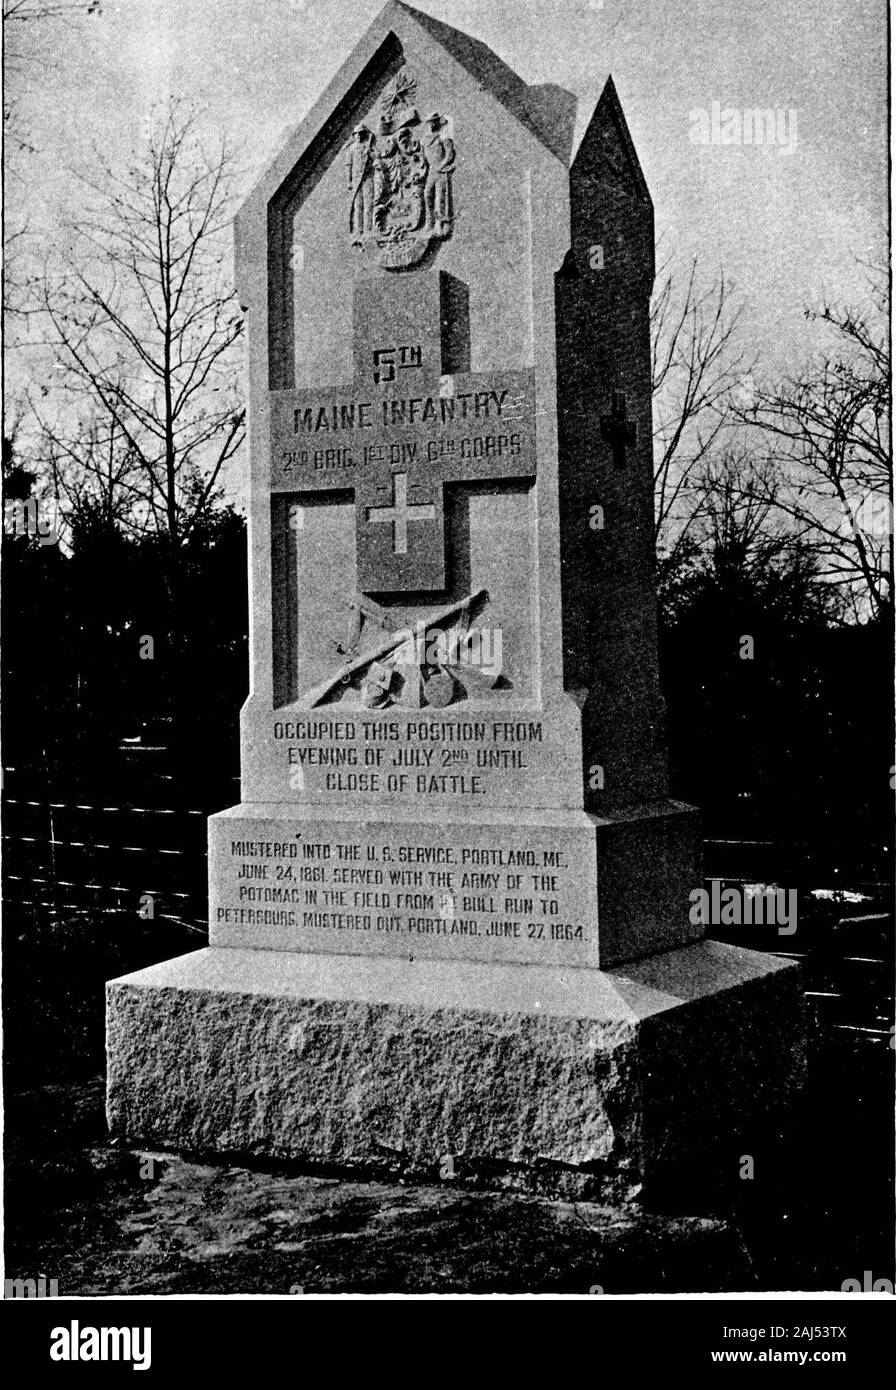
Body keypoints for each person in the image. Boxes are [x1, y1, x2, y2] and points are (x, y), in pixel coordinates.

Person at [424, 112, 455, 235]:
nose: (431, 124)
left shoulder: (443, 137)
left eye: (434, 121)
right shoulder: (425, 140)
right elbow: (424, 158)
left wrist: (441, 165)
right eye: (430, 122)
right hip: (432, 170)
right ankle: (430, 220)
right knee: (427, 194)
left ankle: (440, 222)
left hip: (441, 171)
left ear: (437, 122)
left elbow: (449, 153)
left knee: (440, 196)